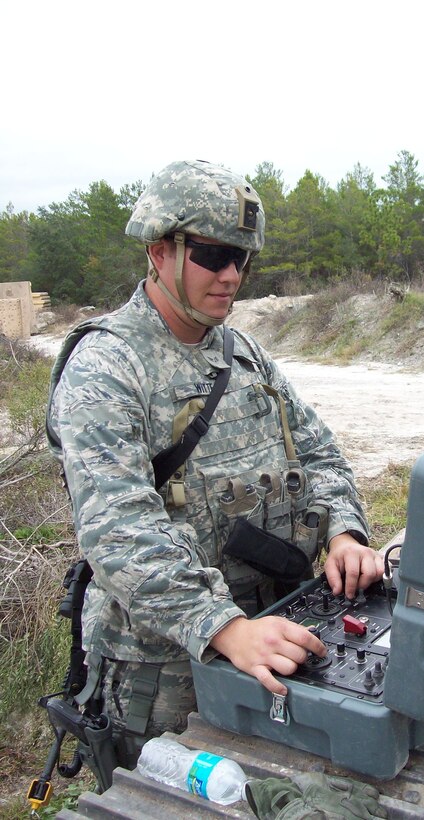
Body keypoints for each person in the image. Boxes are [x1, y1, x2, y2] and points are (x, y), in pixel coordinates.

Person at [47, 159, 383, 770]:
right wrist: (223, 626)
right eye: (213, 255)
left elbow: (318, 452)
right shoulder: (108, 366)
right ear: (159, 251)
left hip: (279, 634)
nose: (231, 276)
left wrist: (343, 531)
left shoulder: (243, 353)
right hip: (170, 674)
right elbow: (116, 528)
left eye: (243, 261)